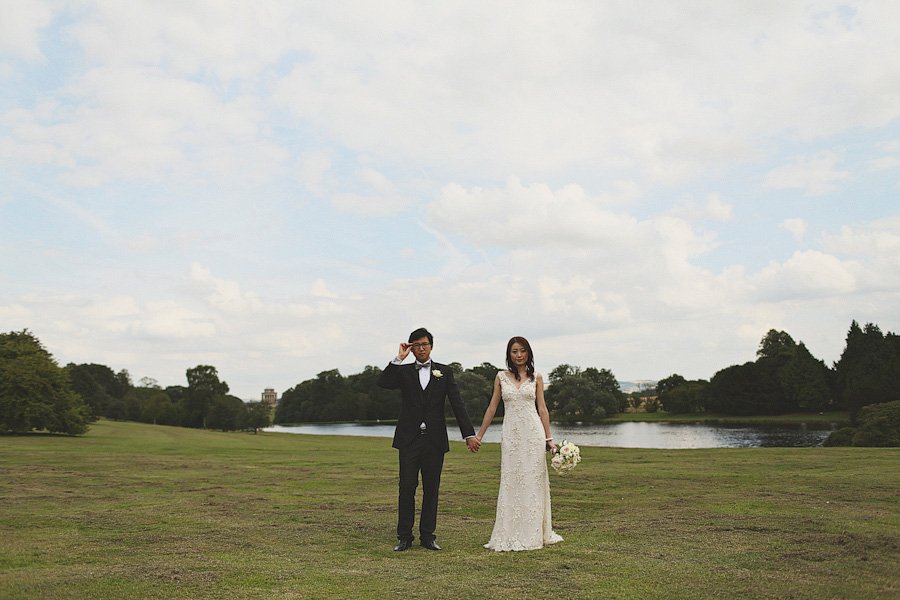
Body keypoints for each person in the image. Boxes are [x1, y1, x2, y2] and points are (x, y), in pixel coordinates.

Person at [377, 327, 481, 551]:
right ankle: (404, 537)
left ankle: (428, 536)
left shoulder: (444, 372)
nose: (421, 348)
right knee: (406, 487)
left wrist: (469, 434)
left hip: (434, 440)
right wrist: (399, 358)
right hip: (409, 440)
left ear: (431, 346)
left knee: (432, 488)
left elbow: (457, 403)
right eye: (416, 345)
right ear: (411, 348)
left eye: (424, 344)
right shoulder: (403, 372)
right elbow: (383, 382)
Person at [475, 336, 563, 551]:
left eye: (522, 350)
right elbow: (492, 408)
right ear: (509, 354)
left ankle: (534, 533)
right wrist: (480, 435)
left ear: (528, 353)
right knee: (512, 480)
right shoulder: (500, 377)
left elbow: (542, 409)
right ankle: (510, 531)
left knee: (533, 481)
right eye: (514, 351)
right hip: (511, 436)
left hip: (533, 434)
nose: (519, 355)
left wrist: (549, 440)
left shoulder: (537, 378)